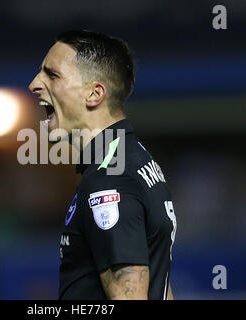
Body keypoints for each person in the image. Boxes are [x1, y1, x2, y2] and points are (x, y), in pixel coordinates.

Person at [28, 30, 177, 300]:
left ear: (94, 94)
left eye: (52, 75)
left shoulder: (110, 178)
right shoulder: (135, 158)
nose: (35, 84)